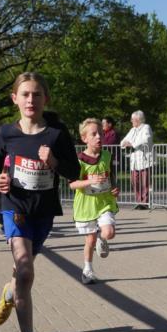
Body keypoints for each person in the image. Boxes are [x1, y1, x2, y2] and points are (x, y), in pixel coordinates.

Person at [0, 72, 80, 332]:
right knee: (26, 269)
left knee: (21, 275)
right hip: (14, 206)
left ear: (45, 99)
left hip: (43, 211)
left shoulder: (56, 133)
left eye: (37, 94)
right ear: (14, 98)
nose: (31, 100)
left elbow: (74, 172)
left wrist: (53, 161)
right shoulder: (6, 133)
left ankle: (8, 293)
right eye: (25, 94)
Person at [70, 118, 120, 284]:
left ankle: (103, 239)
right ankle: (88, 270)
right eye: (94, 134)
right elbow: (72, 184)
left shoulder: (106, 155)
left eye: (101, 133)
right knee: (89, 240)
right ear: (85, 138)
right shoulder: (78, 160)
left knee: (109, 232)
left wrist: (115, 187)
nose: (99, 137)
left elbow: (110, 175)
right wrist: (89, 181)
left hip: (105, 201)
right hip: (86, 204)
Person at [120, 110, 153, 210]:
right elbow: (123, 142)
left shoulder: (146, 127)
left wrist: (132, 143)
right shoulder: (133, 129)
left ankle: (145, 202)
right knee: (135, 181)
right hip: (135, 160)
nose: (131, 121)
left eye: (133, 119)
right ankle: (138, 201)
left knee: (145, 182)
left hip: (144, 159)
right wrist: (126, 143)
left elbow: (145, 140)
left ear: (138, 120)